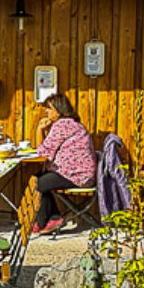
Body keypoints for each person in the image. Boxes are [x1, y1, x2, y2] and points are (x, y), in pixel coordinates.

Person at [33, 92, 97, 235]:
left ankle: (44, 222)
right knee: (39, 178)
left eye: (49, 108)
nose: (46, 111)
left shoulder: (62, 125)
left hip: (76, 175)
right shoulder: (73, 124)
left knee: (37, 183)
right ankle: (53, 218)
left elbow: (43, 153)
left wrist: (39, 130)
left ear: (58, 110)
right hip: (81, 173)